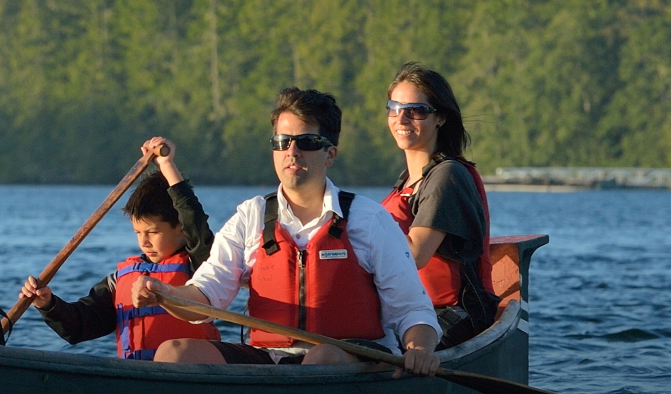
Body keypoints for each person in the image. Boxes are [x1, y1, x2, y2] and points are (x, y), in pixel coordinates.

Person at [130, 88, 442, 376]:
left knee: (321, 357)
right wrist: (166, 294)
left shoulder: (369, 220)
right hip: (272, 359)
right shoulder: (250, 217)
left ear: (329, 154)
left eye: (306, 143)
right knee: (174, 352)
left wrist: (420, 349)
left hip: (350, 360)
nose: (292, 152)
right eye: (282, 142)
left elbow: (413, 311)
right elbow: (205, 297)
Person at [16, 137, 222, 359]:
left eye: (152, 232)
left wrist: (167, 166)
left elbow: (193, 219)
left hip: (186, 374)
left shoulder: (200, 267)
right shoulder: (120, 280)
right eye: (137, 233)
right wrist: (48, 304)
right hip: (138, 375)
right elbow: (80, 325)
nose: (144, 242)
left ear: (181, 229)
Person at [382, 63, 499, 347]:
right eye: (394, 108)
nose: (402, 118)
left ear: (440, 118)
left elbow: (415, 255)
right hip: (410, 313)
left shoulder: (447, 175)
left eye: (417, 111)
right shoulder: (407, 182)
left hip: (452, 315)